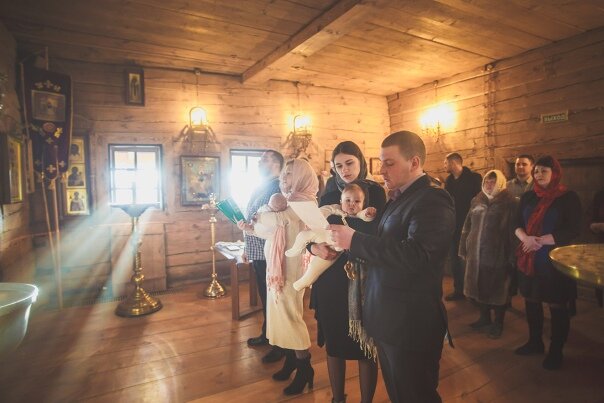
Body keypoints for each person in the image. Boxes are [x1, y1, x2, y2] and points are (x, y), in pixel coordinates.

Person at [330, 131, 455, 403]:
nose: (381, 170)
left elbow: (419, 256)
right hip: (389, 318)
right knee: (399, 394)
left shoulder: (432, 199)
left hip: (410, 323)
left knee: (416, 395)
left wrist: (355, 240)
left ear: (414, 162)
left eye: (389, 163)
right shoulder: (399, 197)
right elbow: (385, 246)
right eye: (381, 163)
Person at [310, 141, 386, 403]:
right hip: (331, 279)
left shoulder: (375, 193)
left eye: (350, 163)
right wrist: (314, 248)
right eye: (339, 165)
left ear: (361, 162)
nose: (345, 170)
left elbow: (380, 233)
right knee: (335, 343)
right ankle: (337, 399)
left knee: (366, 345)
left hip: (364, 278)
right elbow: (312, 232)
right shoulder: (329, 194)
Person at [243, 159, 318, 395]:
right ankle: (291, 360)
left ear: (302, 177)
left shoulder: (304, 202)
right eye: (284, 173)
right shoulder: (287, 201)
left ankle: (305, 367)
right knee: (280, 315)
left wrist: (260, 215)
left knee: (290, 316)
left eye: (290, 174)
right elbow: (271, 231)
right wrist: (251, 228)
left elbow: (279, 220)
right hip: (277, 268)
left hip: (292, 269)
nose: (284, 178)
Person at [514, 156, 582, 370]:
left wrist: (541, 240)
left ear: (555, 173)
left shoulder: (568, 197)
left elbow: (573, 229)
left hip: (554, 259)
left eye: (544, 170)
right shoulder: (528, 197)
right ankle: (535, 342)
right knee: (531, 301)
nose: (539, 174)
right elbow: (516, 223)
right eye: (536, 171)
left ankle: (556, 350)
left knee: (557, 305)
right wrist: (526, 239)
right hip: (529, 257)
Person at [458, 170, 518, 339]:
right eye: (487, 182)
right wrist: (463, 247)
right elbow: (467, 225)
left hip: (498, 253)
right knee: (478, 286)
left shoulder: (510, 202)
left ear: (500, 183)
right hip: (475, 254)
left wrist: (512, 255)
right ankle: (484, 318)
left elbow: (514, 231)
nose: (489, 185)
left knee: (498, 290)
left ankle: (498, 323)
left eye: (493, 182)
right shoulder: (477, 199)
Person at [286, 183, 377, 291]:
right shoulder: (336, 208)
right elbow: (326, 210)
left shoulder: (358, 214)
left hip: (335, 247)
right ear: (341, 202)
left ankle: (304, 281)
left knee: (317, 266)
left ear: (363, 204)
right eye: (348, 200)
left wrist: (368, 213)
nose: (352, 204)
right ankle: (295, 249)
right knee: (303, 235)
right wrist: (318, 217)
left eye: (357, 201)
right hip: (323, 235)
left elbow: (365, 217)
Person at [239, 150, 285, 364]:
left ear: (277, 164)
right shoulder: (261, 186)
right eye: (260, 160)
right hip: (257, 249)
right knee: (265, 297)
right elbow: (253, 217)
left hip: (270, 251)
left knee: (274, 299)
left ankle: (280, 344)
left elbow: (273, 223)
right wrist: (246, 247)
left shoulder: (278, 188)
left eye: (265, 159)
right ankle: (268, 334)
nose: (259, 162)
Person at [444, 152, 482, 301]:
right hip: (454, 225)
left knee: (471, 259)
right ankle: (459, 290)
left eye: (446, 162)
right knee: (455, 259)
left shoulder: (474, 178)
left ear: (453, 163)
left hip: (471, 225)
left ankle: (473, 291)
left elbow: (479, 201)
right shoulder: (449, 180)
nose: (444, 165)